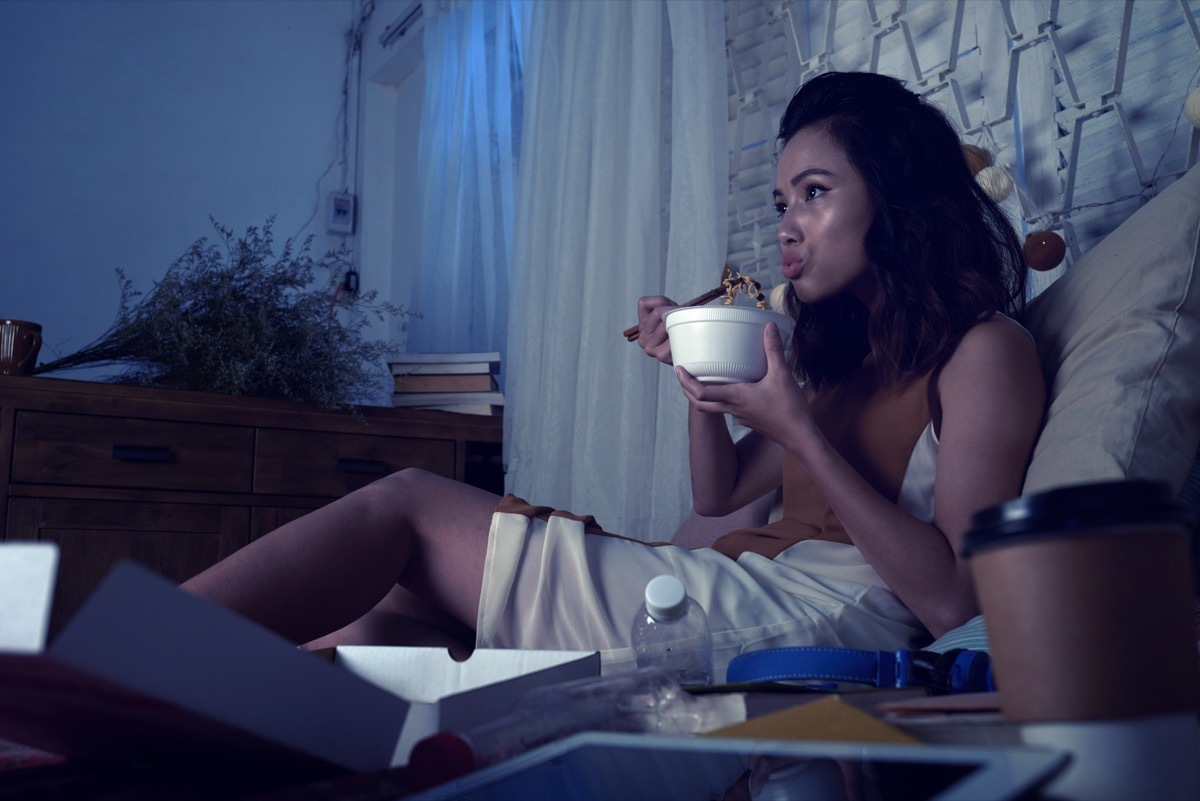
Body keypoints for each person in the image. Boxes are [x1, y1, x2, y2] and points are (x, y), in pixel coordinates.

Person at [182, 71, 1045, 680]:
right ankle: (155, 722)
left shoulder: (984, 351)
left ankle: (133, 654)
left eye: (814, 193)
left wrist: (799, 432)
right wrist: (703, 387)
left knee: (407, 503)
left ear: (897, 199)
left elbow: (951, 601)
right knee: (378, 627)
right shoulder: (847, 355)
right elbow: (719, 495)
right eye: (782, 202)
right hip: (739, 578)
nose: (787, 225)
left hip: (820, 616)